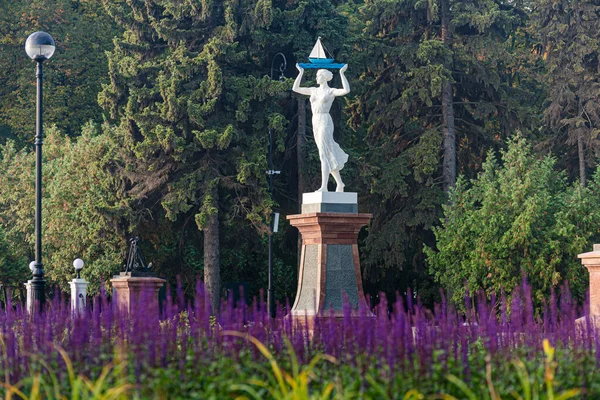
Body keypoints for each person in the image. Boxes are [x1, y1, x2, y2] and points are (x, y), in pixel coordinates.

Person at [292, 64, 350, 192]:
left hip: (325, 120)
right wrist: (300, 72)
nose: (316, 78)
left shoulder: (330, 91)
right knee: (326, 152)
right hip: (315, 120)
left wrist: (342, 73)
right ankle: (339, 183)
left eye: (318, 76)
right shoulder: (313, 90)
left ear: (324, 77)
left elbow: (346, 90)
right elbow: (295, 88)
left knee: (323, 153)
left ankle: (324, 187)